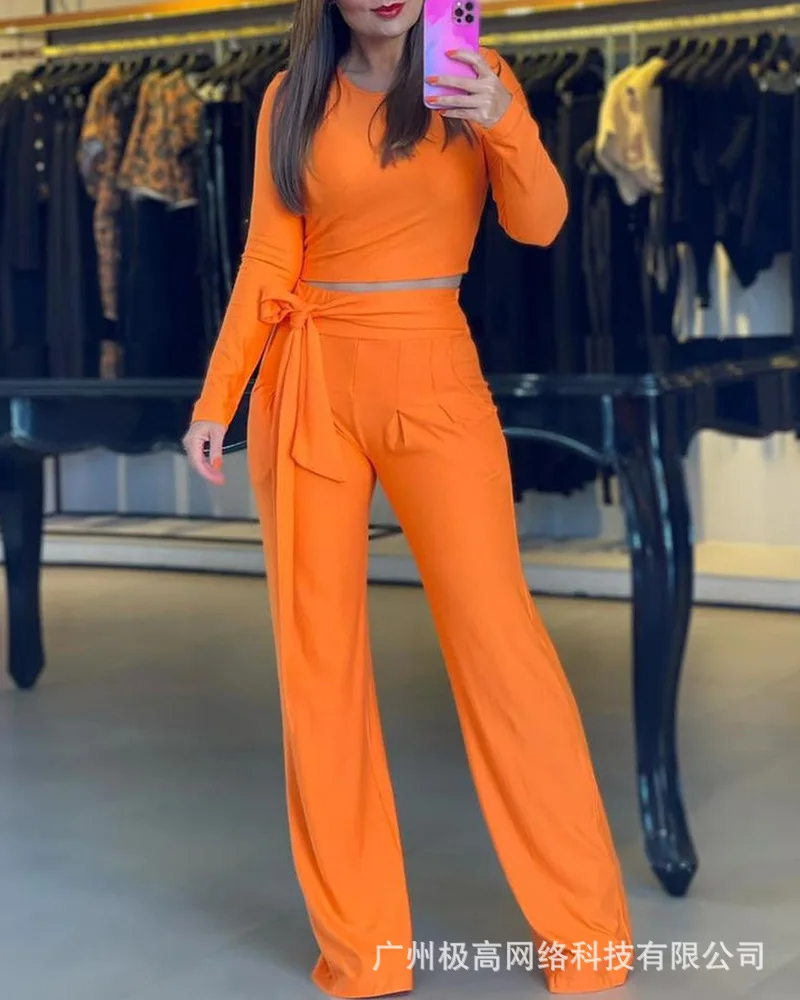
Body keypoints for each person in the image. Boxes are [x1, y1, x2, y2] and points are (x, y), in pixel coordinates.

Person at [183, 0, 632, 995]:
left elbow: (541, 223)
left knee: (500, 645)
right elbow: (270, 255)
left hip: (432, 368)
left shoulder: (478, 77)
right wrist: (219, 397)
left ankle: (587, 936)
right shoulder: (289, 98)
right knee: (317, 660)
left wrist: (501, 122)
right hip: (308, 376)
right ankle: (365, 951)